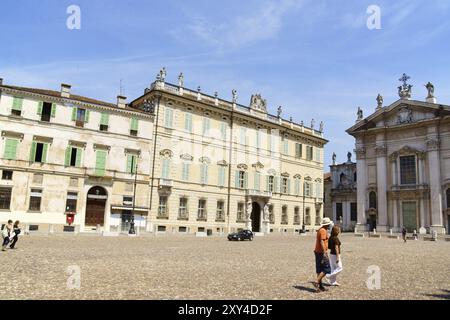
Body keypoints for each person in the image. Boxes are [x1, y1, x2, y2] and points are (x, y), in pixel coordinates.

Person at [313, 217, 332, 292]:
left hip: (317, 251)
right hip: (321, 252)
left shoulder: (320, 230)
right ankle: (316, 281)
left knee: (319, 269)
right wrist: (325, 252)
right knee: (327, 268)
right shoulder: (323, 231)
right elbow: (322, 242)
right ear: (327, 224)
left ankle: (320, 287)